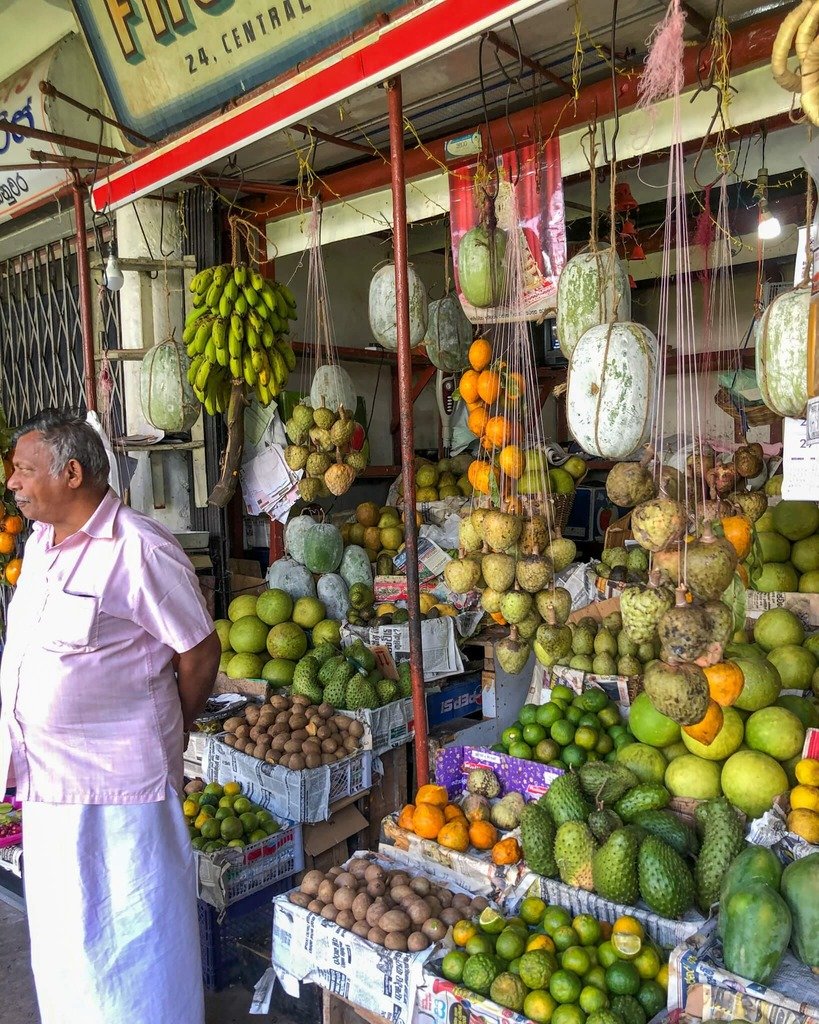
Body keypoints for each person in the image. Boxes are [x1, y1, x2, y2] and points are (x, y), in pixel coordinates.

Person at [0, 410, 221, 1024]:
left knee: (136, 943)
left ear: (71, 473)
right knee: (67, 944)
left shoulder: (139, 550)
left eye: (23, 470)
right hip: (49, 786)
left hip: (122, 793)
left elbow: (199, 650)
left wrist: (161, 730)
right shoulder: (41, 545)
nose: (12, 483)